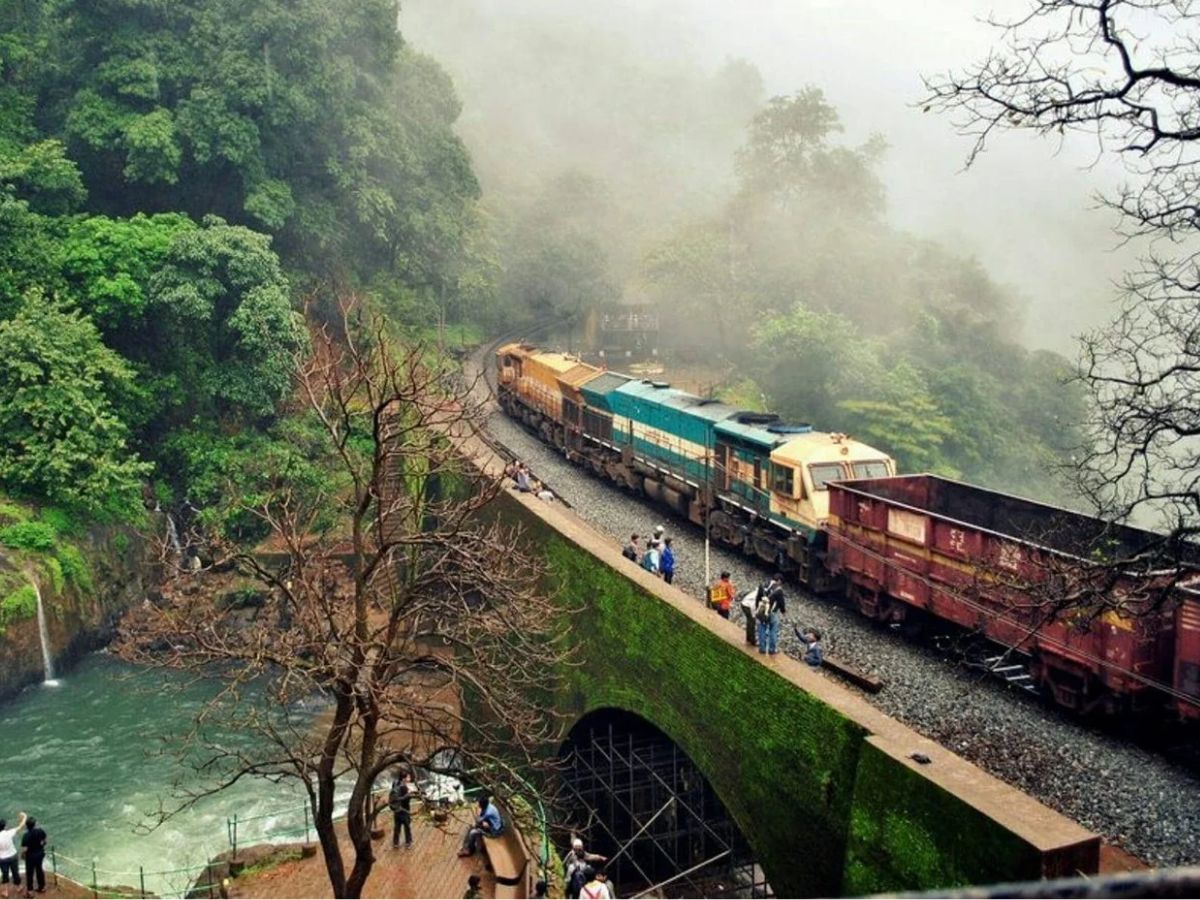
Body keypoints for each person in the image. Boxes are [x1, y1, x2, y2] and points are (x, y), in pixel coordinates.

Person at [755, 575, 786, 655]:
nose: (780, 584)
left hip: (762, 611)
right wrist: (783, 611)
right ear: (779, 580)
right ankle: (772, 650)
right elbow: (781, 603)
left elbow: (758, 598)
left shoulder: (762, 585)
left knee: (761, 628)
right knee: (773, 630)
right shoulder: (779, 590)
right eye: (781, 582)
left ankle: (762, 648)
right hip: (772, 612)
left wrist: (757, 608)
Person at [388, 770, 418, 848]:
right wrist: (410, 793)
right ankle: (408, 842)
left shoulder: (395, 783)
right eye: (408, 777)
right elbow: (406, 797)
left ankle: (396, 842)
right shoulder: (405, 787)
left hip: (397, 809)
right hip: (404, 808)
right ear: (404, 779)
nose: (410, 778)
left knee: (397, 826)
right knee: (406, 826)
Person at [0, 813, 24, 896]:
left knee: (5, 874)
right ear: (5, 826)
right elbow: (20, 826)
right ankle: (18, 887)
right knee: (15, 872)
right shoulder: (9, 833)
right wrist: (24, 817)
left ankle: (5, 891)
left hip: (2, 858)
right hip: (13, 856)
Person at [20, 817, 45, 897]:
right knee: (39, 870)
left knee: (30, 873)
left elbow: (25, 849)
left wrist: (23, 855)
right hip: (40, 854)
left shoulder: (26, 835)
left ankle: (30, 892)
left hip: (30, 856)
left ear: (27, 826)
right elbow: (45, 841)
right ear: (35, 824)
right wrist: (41, 846)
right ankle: (42, 887)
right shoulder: (40, 831)